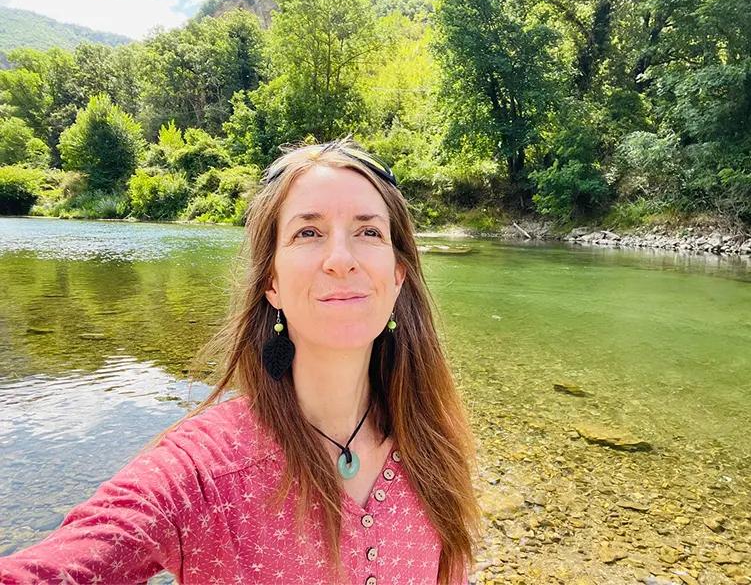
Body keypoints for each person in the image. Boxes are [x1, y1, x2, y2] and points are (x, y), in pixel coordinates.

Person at [0, 139, 481, 585]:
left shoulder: (432, 440)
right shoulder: (203, 471)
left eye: (369, 231)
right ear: (271, 281)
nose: (340, 258)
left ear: (398, 275)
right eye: (308, 232)